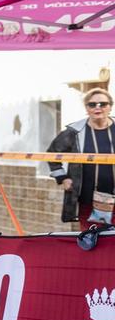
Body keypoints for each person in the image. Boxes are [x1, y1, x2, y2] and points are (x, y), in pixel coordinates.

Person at [48, 87, 115, 229]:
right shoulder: (75, 132)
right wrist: (63, 178)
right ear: (86, 108)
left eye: (103, 104)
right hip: (87, 200)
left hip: (114, 198)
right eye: (92, 104)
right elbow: (52, 154)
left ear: (110, 107)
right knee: (90, 241)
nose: (98, 108)